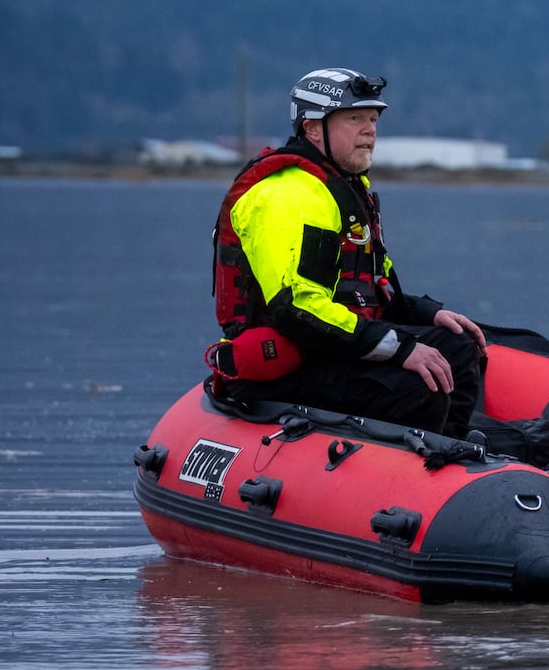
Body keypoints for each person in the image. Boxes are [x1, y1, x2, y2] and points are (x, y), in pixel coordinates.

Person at [207, 67, 486, 437]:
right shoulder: (290, 197)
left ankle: (452, 457)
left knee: (458, 348)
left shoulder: (345, 189)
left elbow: (370, 288)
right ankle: (413, 471)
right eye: (354, 118)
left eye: (372, 119)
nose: (370, 130)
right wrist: (401, 349)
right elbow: (298, 310)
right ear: (311, 128)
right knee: (419, 389)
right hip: (288, 362)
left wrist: (427, 314)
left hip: (331, 345)